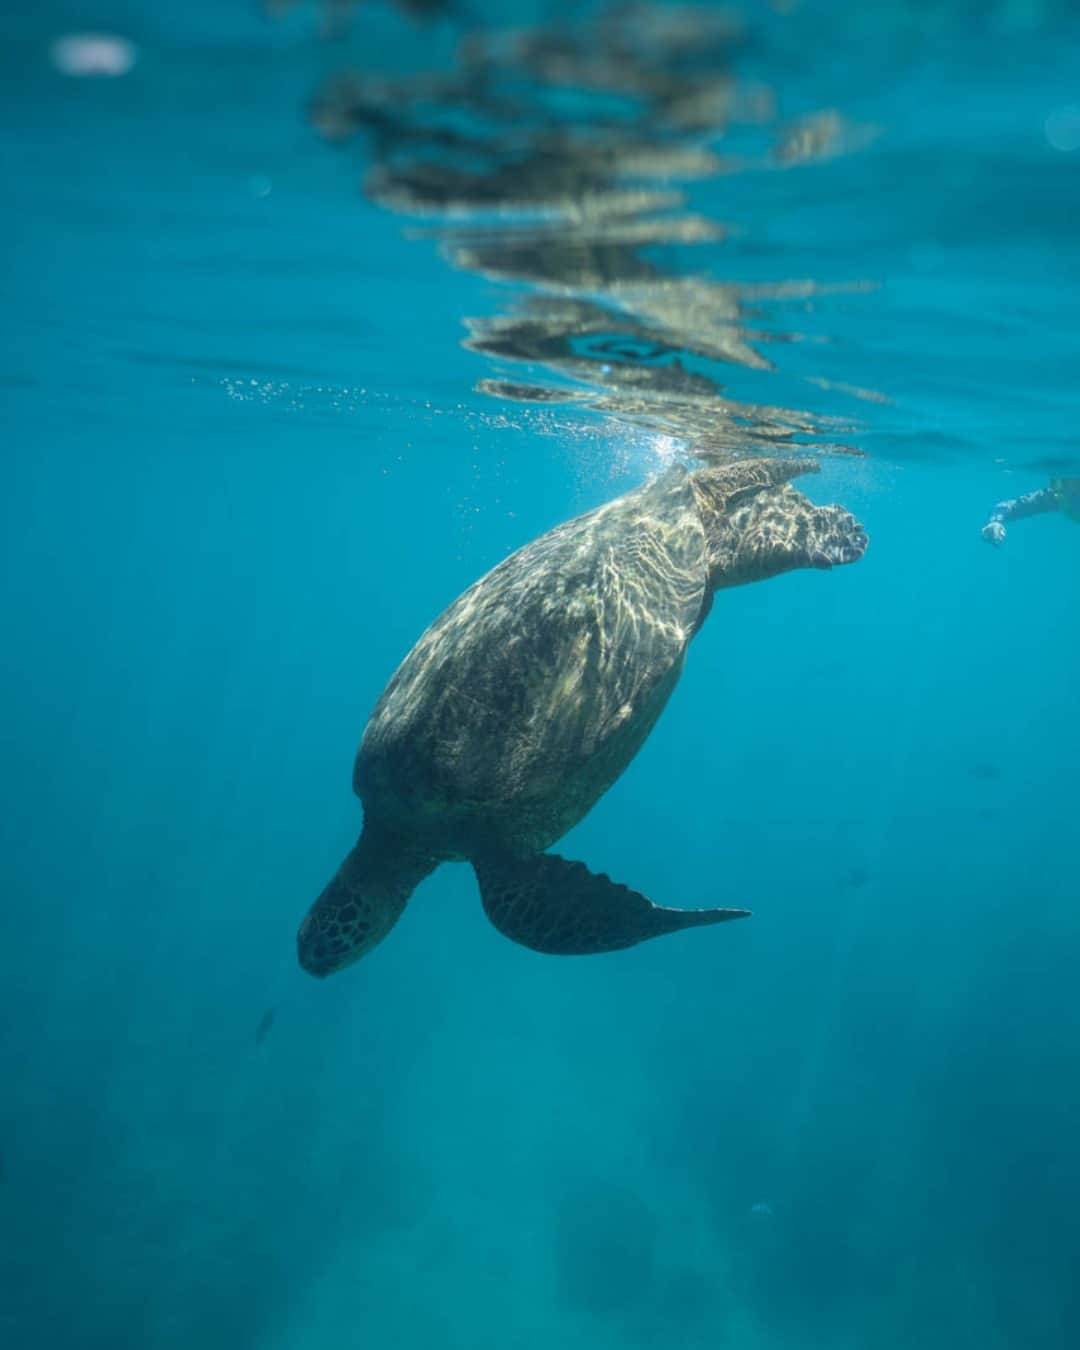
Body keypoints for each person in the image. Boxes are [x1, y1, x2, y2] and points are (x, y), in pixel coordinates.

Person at [981, 477, 1080, 545]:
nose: (1057, 486)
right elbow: (1008, 507)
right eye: (1055, 481)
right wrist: (995, 521)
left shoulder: (1062, 496)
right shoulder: (1055, 497)